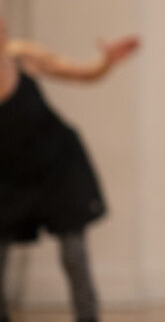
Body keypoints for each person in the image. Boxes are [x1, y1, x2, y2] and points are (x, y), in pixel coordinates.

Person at [0, 17, 140, 322]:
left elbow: (83, 73)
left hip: (57, 167)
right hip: (11, 175)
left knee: (73, 252)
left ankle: (87, 318)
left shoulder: (22, 56)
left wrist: (106, 61)